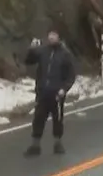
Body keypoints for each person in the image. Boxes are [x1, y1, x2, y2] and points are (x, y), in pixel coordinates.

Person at [23, 29, 76, 157]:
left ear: (59, 37)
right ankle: (35, 144)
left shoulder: (65, 54)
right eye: (50, 35)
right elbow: (28, 61)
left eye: (54, 35)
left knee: (57, 118)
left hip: (57, 92)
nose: (51, 38)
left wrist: (64, 88)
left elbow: (71, 75)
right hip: (43, 91)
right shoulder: (42, 51)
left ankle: (58, 143)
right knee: (38, 117)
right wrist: (31, 49)